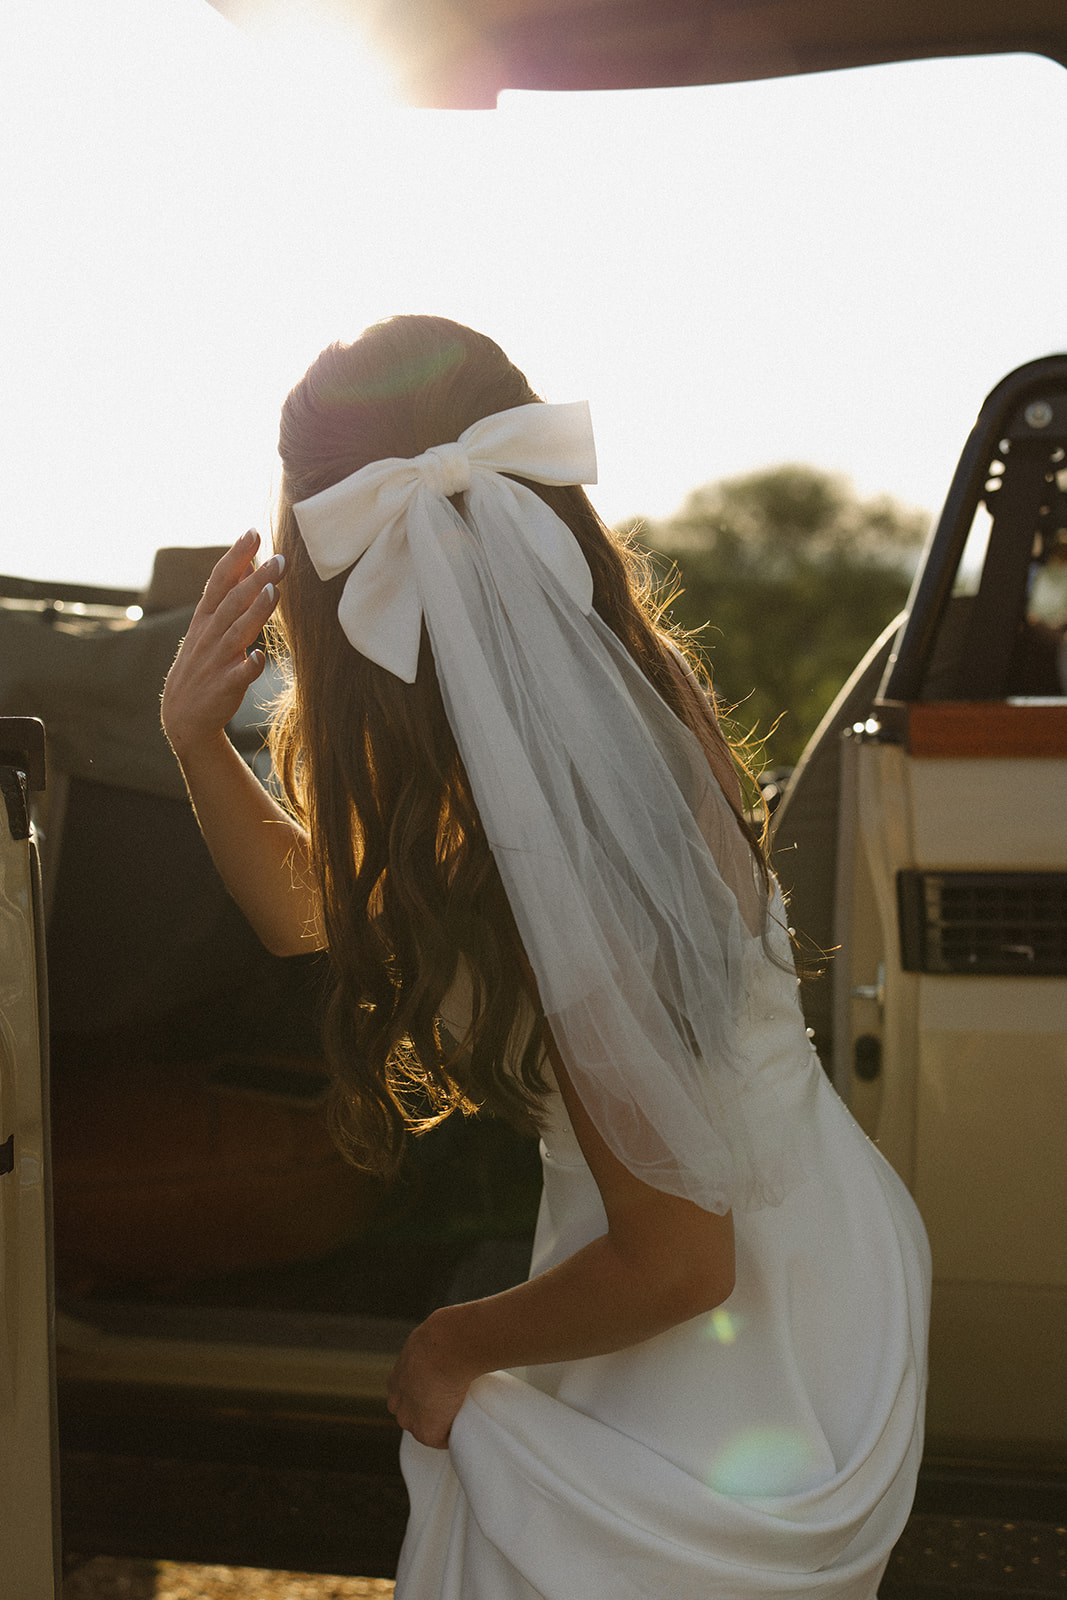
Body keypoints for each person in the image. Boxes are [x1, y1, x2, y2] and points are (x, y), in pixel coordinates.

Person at [162, 314, 930, 1600]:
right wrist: (196, 744)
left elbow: (679, 1257)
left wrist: (449, 1344)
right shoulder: (603, 686)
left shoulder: (555, 822)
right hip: (800, 1260)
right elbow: (313, 912)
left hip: (717, 1345)